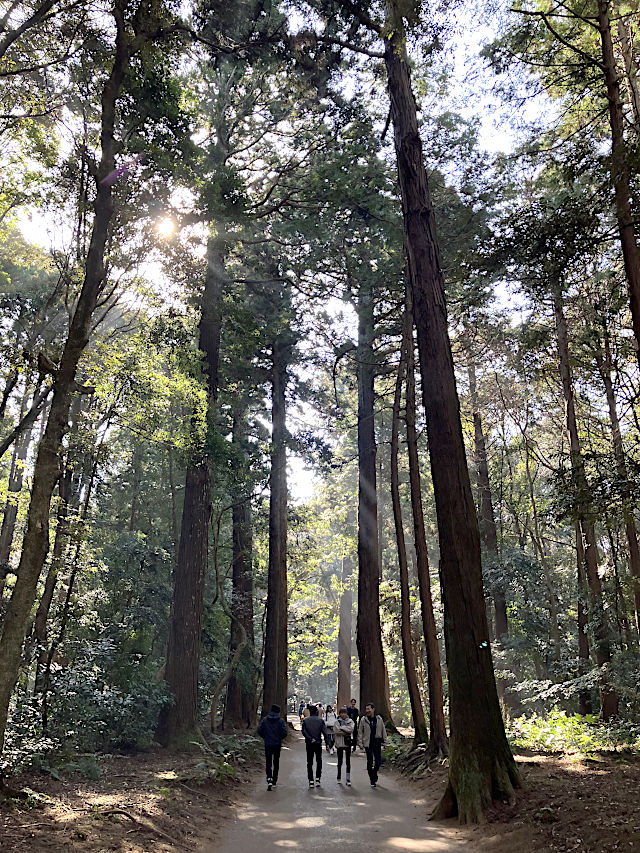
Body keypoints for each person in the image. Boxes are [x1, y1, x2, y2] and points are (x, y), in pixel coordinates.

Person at [257, 704, 288, 791]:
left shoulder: (265, 720)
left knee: (268, 761)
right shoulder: (280, 721)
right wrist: (279, 738)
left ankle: (269, 778)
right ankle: (274, 780)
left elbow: (259, 730)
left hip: (268, 743)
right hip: (277, 744)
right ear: (278, 711)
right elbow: (284, 733)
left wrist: (265, 737)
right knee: (276, 762)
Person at [358, 702, 387, 788]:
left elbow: (383, 730)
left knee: (378, 761)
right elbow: (360, 732)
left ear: (373, 709)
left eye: (369, 709)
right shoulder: (363, 720)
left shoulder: (379, 719)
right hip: (368, 743)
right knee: (370, 761)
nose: (367, 711)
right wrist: (360, 743)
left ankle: (375, 773)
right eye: (366, 709)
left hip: (377, 742)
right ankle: (372, 779)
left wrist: (385, 742)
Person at [301, 704, 326, 788]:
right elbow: (324, 732)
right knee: (319, 761)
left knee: (309, 762)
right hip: (318, 743)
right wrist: (328, 744)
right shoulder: (320, 721)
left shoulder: (305, 721)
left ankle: (311, 780)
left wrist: (310, 738)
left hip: (309, 743)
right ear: (316, 712)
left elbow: (303, 731)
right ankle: (318, 778)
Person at [334, 707, 355, 786]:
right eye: (342, 713)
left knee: (348, 761)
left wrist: (342, 728)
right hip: (339, 743)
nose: (343, 715)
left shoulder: (350, 721)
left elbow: (351, 729)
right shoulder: (337, 722)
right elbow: (336, 731)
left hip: (347, 744)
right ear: (339, 714)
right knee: (340, 761)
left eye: (345, 713)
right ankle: (339, 776)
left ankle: (348, 778)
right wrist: (346, 730)